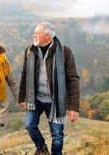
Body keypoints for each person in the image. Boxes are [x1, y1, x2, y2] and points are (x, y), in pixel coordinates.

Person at [18, 22, 80, 155]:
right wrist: (22, 97)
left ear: (47, 36)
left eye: (37, 33)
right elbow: (25, 74)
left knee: (57, 135)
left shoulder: (65, 52)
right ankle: (42, 148)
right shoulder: (30, 50)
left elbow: (73, 80)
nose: (33, 35)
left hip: (55, 101)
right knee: (29, 125)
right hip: (36, 98)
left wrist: (74, 107)